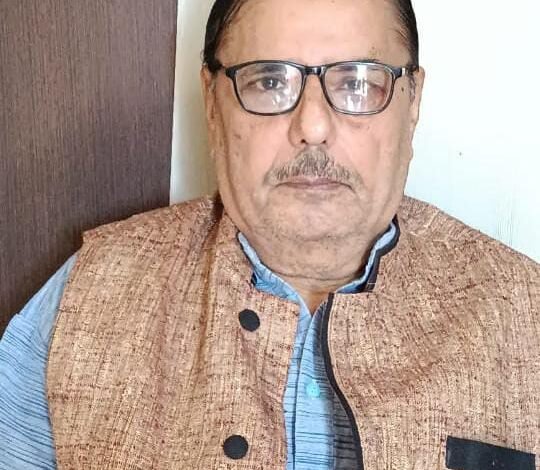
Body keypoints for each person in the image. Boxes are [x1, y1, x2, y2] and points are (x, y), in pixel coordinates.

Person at [1, 0, 538, 468]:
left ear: (412, 102)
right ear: (212, 103)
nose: (313, 126)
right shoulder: (89, 296)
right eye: (269, 80)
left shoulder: (523, 314)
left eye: (356, 82)